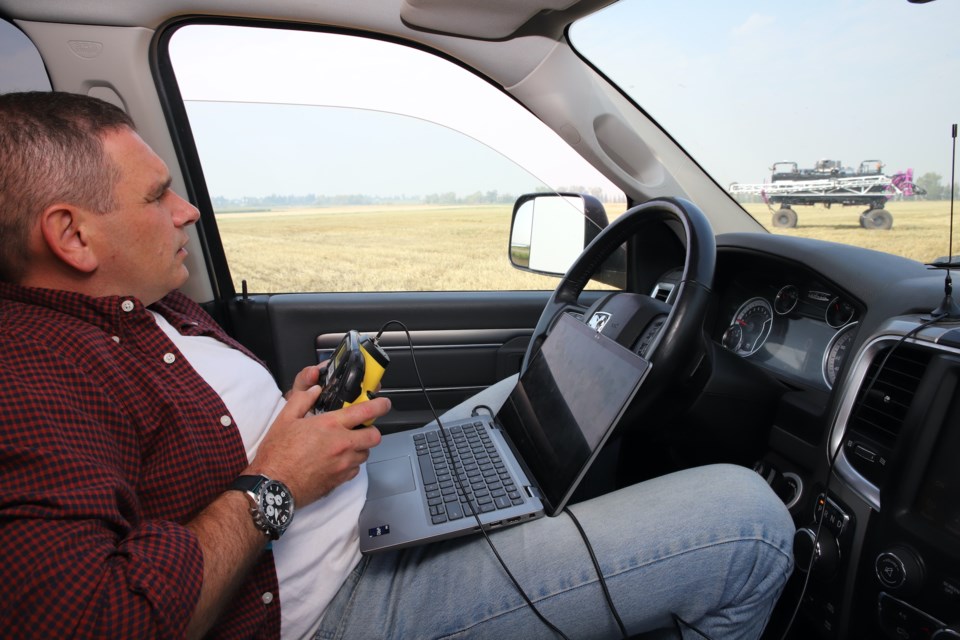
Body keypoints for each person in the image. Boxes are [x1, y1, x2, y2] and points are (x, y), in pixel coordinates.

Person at [0, 91, 795, 639]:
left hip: (350, 517)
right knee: (749, 520)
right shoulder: (30, 373)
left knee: (538, 392)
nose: (188, 211)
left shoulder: (141, 303)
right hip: (333, 608)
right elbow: (101, 620)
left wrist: (293, 427)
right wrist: (275, 483)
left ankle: (522, 520)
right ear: (72, 237)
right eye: (156, 197)